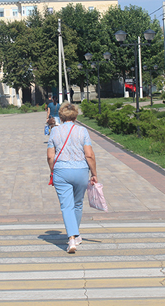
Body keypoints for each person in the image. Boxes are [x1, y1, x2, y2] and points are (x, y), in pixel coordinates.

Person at [47, 102, 98, 253]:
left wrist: (52, 171)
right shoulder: (83, 131)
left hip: (61, 171)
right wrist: (94, 174)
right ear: (75, 116)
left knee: (66, 206)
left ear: (61, 116)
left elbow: (50, 156)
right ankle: (75, 236)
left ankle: (71, 239)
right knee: (77, 204)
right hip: (81, 170)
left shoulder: (55, 132)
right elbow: (89, 154)